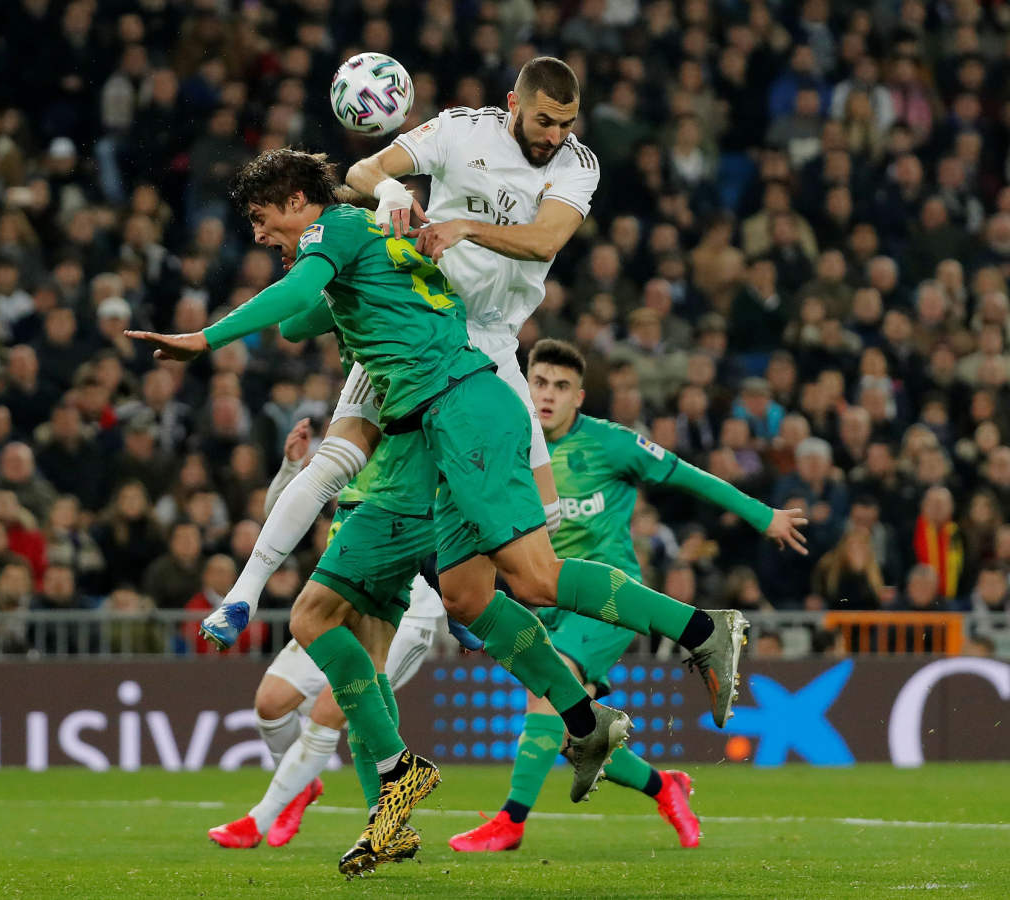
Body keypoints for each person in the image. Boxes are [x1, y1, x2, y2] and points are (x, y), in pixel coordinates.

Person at [127, 148, 796, 873]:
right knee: (423, 602)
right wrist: (320, 273)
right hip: (428, 436)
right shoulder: (358, 246)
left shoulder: (338, 230)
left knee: (532, 581)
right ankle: (537, 736)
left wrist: (206, 338)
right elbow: (300, 318)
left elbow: (300, 295)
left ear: (296, 199)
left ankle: (700, 629)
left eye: (263, 221)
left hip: (463, 410)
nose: (258, 236)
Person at [208, 56, 599, 636]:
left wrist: (465, 226)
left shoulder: (576, 164)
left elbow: (545, 242)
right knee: (337, 460)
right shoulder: (459, 130)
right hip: (417, 320)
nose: (556, 136)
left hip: (492, 340)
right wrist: (391, 188)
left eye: (566, 124)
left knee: (544, 514)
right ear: (515, 104)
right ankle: (243, 592)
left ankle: (455, 581)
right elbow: (363, 170)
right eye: (545, 121)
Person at [449, 340, 805, 852]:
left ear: (580, 397)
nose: (548, 396)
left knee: (552, 690)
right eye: (540, 382)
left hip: (607, 601)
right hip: (543, 604)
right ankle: (665, 787)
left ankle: (511, 822)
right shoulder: (506, 444)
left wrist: (761, 514)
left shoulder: (609, 443)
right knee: (575, 733)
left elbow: (686, 475)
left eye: (561, 387)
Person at [205, 419, 452, 856]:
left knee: (337, 705)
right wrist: (291, 467)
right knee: (270, 703)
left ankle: (262, 816)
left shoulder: (425, 445)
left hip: (408, 605)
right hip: (344, 591)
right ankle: (313, 791)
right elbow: (286, 518)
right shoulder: (357, 441)